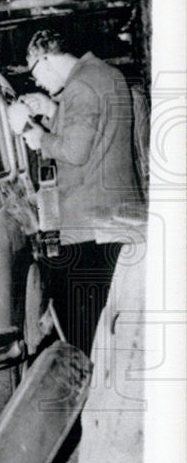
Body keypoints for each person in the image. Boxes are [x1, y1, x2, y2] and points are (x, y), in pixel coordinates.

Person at [17, 29, 140, 355]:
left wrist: (35, 133)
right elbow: (95, 135)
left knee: (82, 336)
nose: (37, 82)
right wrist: (51, 110)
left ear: (45, 57)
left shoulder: (80, 86)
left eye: (34, 72)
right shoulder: (102, 73)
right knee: (106, 329)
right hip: (112, 219)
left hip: (92, 226)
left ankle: (85, 403)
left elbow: (75, 150)